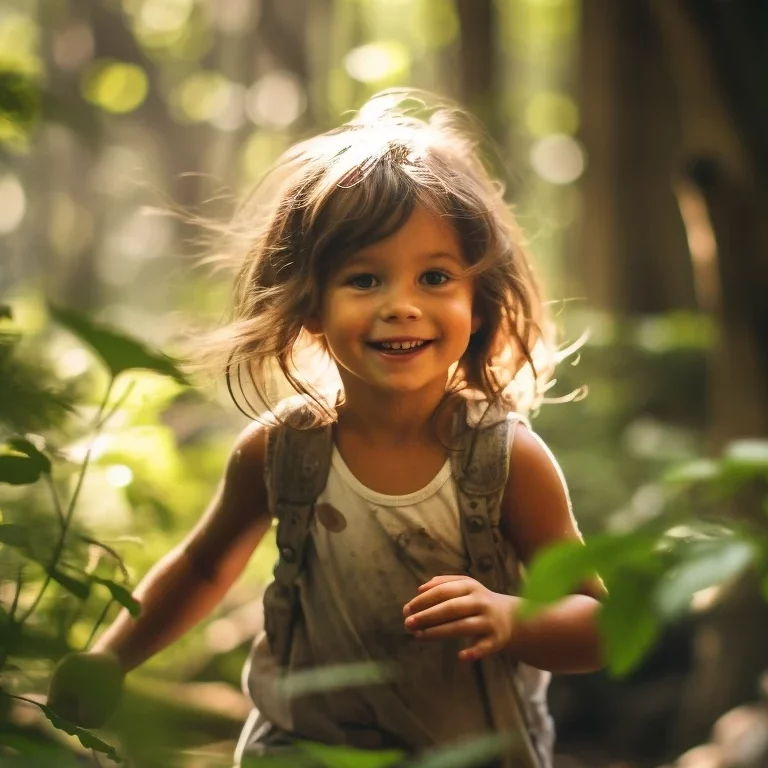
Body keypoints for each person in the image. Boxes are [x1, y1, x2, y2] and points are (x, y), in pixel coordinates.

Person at [48, 90, 605, 767]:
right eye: (365, 279)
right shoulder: (281, 451)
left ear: (478, 304)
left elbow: (599, 626)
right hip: (302, 746)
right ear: (310, 305)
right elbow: (201, 566)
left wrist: (512, 617)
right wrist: (111, 657)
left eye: (435, 277)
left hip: (468, 751)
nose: (401, 306)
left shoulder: (507, 460)